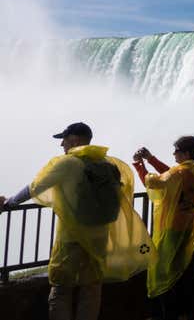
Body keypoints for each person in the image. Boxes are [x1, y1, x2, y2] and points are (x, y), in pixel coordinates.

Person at [0, 122, 153, 320]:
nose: (62, 144)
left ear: (76, 140)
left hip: (71, 237)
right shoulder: (107, 164)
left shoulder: (68, 163)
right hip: (99, 235)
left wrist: (8, 204)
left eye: (64, 139)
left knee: (62, 290)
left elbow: (35, 187)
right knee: (91, 289)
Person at [132, 137, 194, 320]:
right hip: (187, 224)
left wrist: (139, 164)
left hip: (171, 227)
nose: (173, 154)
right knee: (181, 269)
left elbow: (154, 182)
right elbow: (170, 175)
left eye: (176, 151)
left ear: (186, 154)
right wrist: (151, 159)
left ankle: (167, 313)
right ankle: (189, 312)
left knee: (163, 272)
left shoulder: (179, 173)